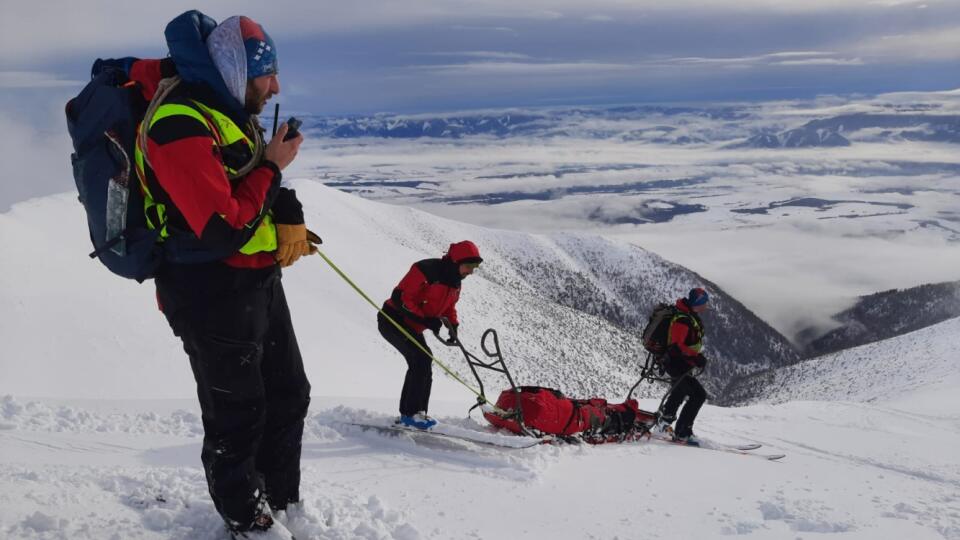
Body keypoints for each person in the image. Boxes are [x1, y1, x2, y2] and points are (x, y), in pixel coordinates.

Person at [134, 11, 315, 538]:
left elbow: (244, 184)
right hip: (208, 289)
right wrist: (275, 168)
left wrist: (287, 205)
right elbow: (218, 227)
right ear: (235, 68)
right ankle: (247, 519)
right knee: (238, 414)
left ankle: (281, 501)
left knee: (289, 393)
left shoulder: (225, 112)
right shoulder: (178, 122)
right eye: (267, 73)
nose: (275, 85)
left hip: (255, 281)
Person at [379, 241, 483, 429]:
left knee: (425, 360)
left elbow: (449, 306)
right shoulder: (425, 269)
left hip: (413, 326)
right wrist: (425, 319)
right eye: (469, 266)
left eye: (474, 267)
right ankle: (410, 415)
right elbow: (401, 297)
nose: (471, 272)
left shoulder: (455, 282)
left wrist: (453, 325)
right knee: (420, 360)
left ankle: (418, 413)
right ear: (456, 261)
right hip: (393, 320)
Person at [654, 288, 710, 445]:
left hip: (680, 362)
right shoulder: (682, 320)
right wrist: (696, 357)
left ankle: (669, 426)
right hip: (675, 362)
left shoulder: (688, 316)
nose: (706, 306)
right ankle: (677, 430)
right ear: (697, 303)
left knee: (686, 391)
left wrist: (695, 358)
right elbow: (676, 346)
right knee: (693, 393)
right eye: (704, 303)